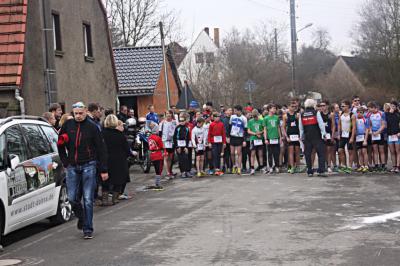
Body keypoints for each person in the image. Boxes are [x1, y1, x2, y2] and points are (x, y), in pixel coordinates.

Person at [57, 102, 108, 239]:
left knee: (87, 198)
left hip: (89, 165)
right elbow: (60, 144)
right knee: (72, 198)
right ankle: (82, 217)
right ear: (72, 113)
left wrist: (103, 169)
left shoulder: (92, 127)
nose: (78, 116)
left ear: (85, 111)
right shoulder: (67, 126)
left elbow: (101, 149)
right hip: (72, 166)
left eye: (81, 113)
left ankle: (88, 229)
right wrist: (65, 161)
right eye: (76, 113)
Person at [102, 115, 131, 205]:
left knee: (105, 181)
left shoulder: (101, 134)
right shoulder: (120, 135)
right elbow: (126, 149)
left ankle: (105, 200)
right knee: (118, 179)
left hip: (105, 159)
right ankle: (115, 198)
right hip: (119, 160)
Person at [299, 99, 327, 177]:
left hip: (307, 137)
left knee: (307, 154)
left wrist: (301, 136)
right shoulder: (316, 112)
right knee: (321, 153)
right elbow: (321, 124)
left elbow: (300, 127)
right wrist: (323, 134)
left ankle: (309, 171)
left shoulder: (302, 114)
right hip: (317, 136)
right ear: (313, 105)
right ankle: (321, 170)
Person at [367, 101, 387, 171]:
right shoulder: (369, 114)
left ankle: (383, 165)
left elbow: (383, 125)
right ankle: (376, 165)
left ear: (373, 107)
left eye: (369, 108)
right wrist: (371, 131)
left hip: (380, 134)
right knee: (375, 150)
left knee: (381, 150)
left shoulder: (381, 113)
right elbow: (369, 125)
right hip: (373, 134)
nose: (368, 110)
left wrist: (378, 132)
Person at [338, 100, 356, 173]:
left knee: (350, 151)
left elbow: (354, 127)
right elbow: (339, 124)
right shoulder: (341, 114)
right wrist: (339, 134)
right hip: (343, 135)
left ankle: (350, 166)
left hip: (349, 134)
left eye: (343, 106)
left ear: (347, 106)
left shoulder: (352, 115)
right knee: (340, 150)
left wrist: (352, 137)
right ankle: (344, 165)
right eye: (341, 106)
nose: (341, 107)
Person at [282, 101, 300, 174]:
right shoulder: (285, 116)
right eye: (292, 106)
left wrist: (300, 136)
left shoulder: (297, 115)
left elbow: (300, 126)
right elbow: (283, 127)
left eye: (295, 107)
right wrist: (286, 137)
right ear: (289, 107)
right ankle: (291, 167)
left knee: (297, 152)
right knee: (291, 152)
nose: (293, 108)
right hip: (290, 136)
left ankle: (297, 166)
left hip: (297, 135)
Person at [229, 105, 248, 175]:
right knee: (232, 153)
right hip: (232, 137)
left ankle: (239, 168)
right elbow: (229, 126)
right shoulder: (232, 117)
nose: (234, 112)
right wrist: (228, 136)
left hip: (240, 137)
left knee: (239, 153)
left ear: (239, 111)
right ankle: (234, 166)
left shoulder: (244, 118)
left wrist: (244, 140)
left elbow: (245, 130)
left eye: (235, 110)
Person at [264, 104, 281, 174]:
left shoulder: (276, 117)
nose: (274, 110)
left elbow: (278, 127)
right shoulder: (266, 118)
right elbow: (265, 129)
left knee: (276, 153)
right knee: (270, 153)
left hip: (276, 137)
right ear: (269, 109)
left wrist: (280, 137)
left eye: (275, 109)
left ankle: (277, 166)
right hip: (269, 138)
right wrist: (265, 139)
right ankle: (270, 167)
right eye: (273, 108)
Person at [159, 110, 177, 178]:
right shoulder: (162, 123)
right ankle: (167, 173)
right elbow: (160, 134)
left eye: (169, 114)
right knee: (166, 158)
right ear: (165, 115)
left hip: (171, 142)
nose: (168, 116)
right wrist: (161, 144)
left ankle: (169, 171)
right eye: (167, 114)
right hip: (165, 142)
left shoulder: (174, 122)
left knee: (170, 158)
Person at [208, 112, 227, 176]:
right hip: (213, 142)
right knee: (215, 155)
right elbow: (209, 134)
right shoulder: (211, 124)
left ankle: (218, 169)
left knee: (219, 155)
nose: (218, 118)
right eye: (216, 117)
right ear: (214, 117)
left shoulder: (221, 124)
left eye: (219, 117)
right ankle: (216, 169)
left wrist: (224, 142)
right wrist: (209, 142)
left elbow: (223, 134)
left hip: (220, 142)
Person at [320, 100, 335, 173]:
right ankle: (324, 165)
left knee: (329, 150)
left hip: (329, 134)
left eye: (324, 105)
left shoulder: (331, 114)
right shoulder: (319, 114)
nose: (322, 107)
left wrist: (332, 136)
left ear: (327, 106)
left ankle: (329, 165)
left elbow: (333, 126)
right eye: (321, 106)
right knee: (322, 151)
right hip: (322, 135)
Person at [248, 109, 264, 175]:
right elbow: (248, 131)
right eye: (254, 116)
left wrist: (260, 133)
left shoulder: (261, 120)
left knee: (260, 154)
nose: (255, 118)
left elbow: (264, 129)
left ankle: (261, 167)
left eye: (256, 116)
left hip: (260, 139)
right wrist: (255, 134)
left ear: (258, 115)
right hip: (253, 139)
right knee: (253, 154)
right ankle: (252, 168)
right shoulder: (250, 121)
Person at [148, 121, 164, 189]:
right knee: (159, 170)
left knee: (156, 169)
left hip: (152, 154)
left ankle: (157, 183)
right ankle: (158, 184)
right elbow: (162, 146)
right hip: (158, 154)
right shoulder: (158, 138)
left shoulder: (150, 137)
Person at [386, 101, 400, 173]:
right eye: (391, 106)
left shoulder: (398, 114)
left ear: (396, 107)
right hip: (390, 136)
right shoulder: (387, 114)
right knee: (392, 152)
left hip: (397, 135)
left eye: (393, 106)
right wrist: (390, 114)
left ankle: (398, 166)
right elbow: (387, 123)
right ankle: (394, 166)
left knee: (398, 151)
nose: (392, 107)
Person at [355, 107, 370, 172]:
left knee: (364, 152)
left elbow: (367, 130)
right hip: (358, 137)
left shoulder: (365, 120)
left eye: (361, 112)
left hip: (364, 136)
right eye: (358, 112)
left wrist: (365, 140)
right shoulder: (355, 120)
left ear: (363, 113)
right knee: (360, 152)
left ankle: (366, 166)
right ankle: (361, 166)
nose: (359, 113)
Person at [222, 108, 233, 173]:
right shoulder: (223, 119)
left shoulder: (234, 119)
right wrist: (226, 137)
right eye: (229, 110)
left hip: (233, 138)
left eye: (231, 110)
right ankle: (227, 167)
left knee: (232, 153)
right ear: (226, 112)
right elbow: (224, 129)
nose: (230, 111)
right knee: (226, 153)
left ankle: (232, 166)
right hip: (226, 138)